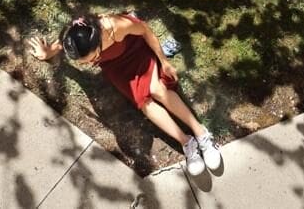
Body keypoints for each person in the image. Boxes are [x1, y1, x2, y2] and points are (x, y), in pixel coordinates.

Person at [28, 13, 222, 176]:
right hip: (116, 69)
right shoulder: (75, 38)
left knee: (158, 90)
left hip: (135, 52)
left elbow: (145, 30)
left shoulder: (115, 27)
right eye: (84, 62)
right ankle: (186, 142)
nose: (87, 63)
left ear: (98, 42)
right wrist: (47, 53)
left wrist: (164, 61)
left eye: (91, 58)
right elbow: (63, 43)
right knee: (143, 102)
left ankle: (201, 133)